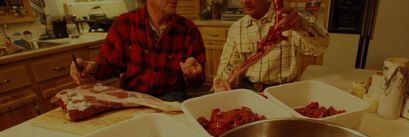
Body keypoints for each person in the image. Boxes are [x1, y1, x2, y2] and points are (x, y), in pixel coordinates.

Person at [69, 0, 205, 102]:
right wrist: (91, 67)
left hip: (171, 98)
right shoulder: (124, 24)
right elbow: (109, 65)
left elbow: (198, 82)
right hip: (133, 98)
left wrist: (194, 74)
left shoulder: (188, 30)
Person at [215, 0, 329, 91]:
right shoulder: (236, 28)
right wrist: (220, 85)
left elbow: (321, 47)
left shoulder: (290, 20)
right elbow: (228, 65)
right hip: (250, 91)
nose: (245, 1)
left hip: (285, 91)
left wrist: (301, 25)